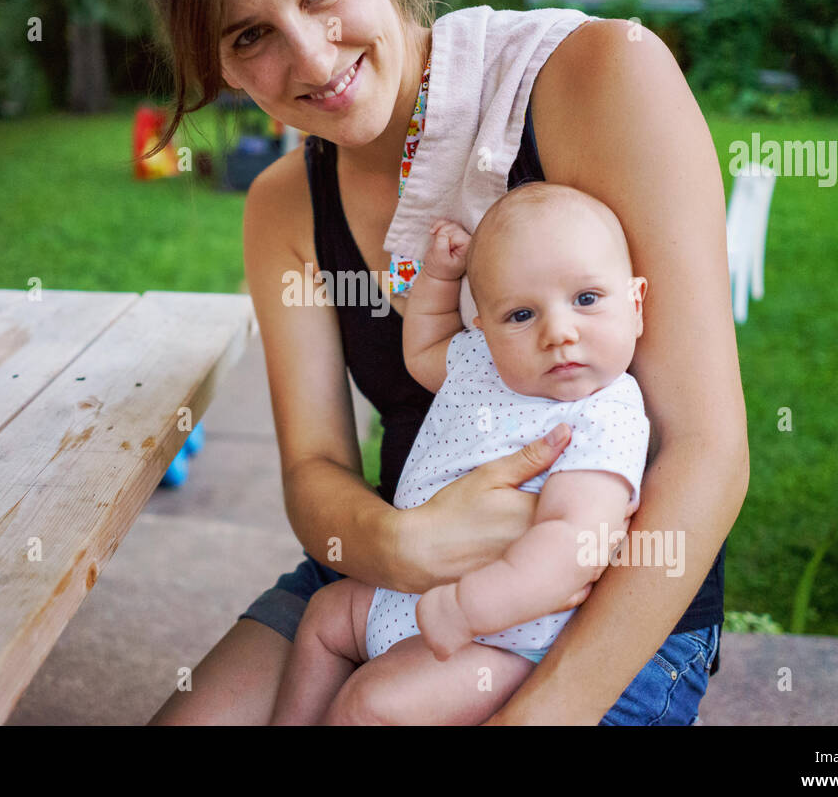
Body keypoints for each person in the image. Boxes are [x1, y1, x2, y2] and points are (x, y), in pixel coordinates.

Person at [136, 0, 748, 725]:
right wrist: (400, 544)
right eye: (249, 37)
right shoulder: (283, 207)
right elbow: (315, 471)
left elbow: (710, 453)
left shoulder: (603, 75)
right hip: (388, 566)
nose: (312, 58)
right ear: (221, 67)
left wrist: (540, 716)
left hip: (595, 601)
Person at [270, 185, 652, 724]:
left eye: (587, 299)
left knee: (369, 704)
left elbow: (574, 545)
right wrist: (441, 278)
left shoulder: (605, 413)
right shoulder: (486, 362)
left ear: (635, 305)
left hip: (498, 639)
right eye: (521, 314)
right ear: (485, 326)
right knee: (325, 620)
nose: (558, 333)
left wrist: (470, 608)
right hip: (404, 589)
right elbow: (423, 349)